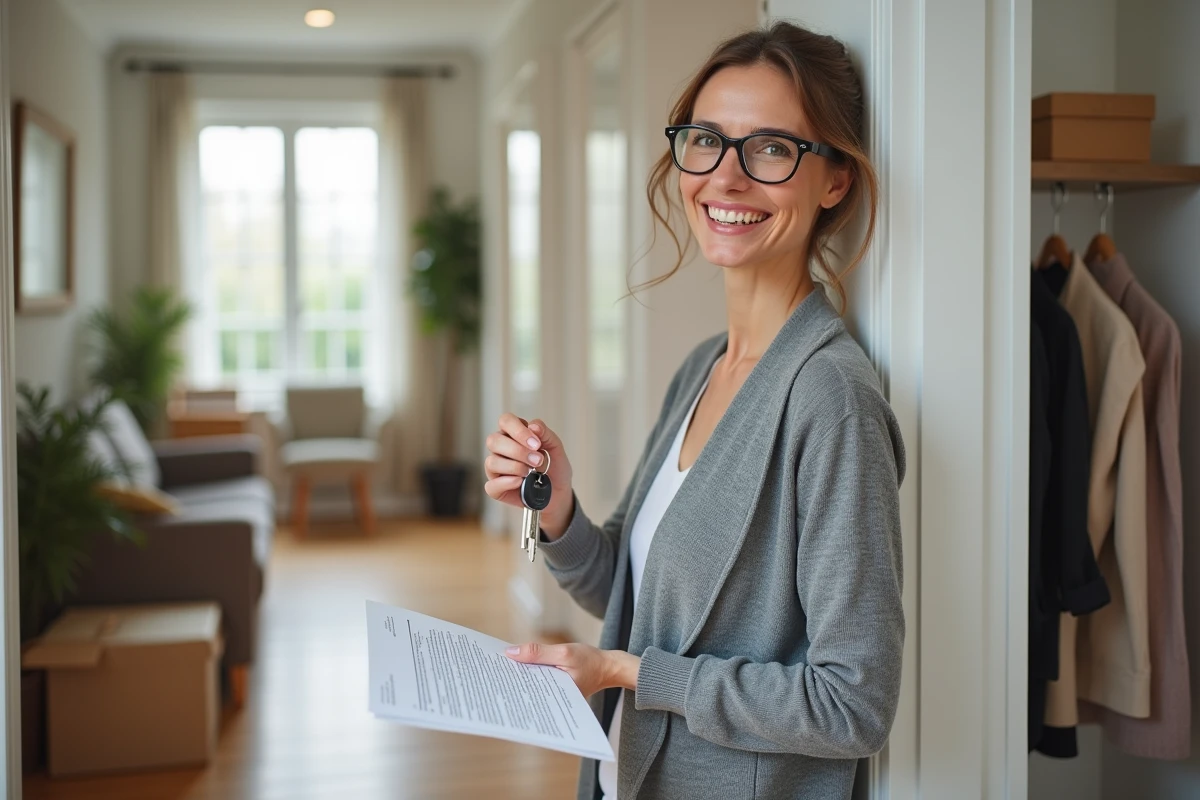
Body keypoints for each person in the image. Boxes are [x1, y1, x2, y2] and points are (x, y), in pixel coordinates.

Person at [484, 21, 905, 800]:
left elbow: (854, 706)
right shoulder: (702, 370)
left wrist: (625, 673)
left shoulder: (830, 400)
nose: (726, 177)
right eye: (706, 140)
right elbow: (633, 600)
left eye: (773, 149)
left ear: (835, 179)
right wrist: (559, 507)